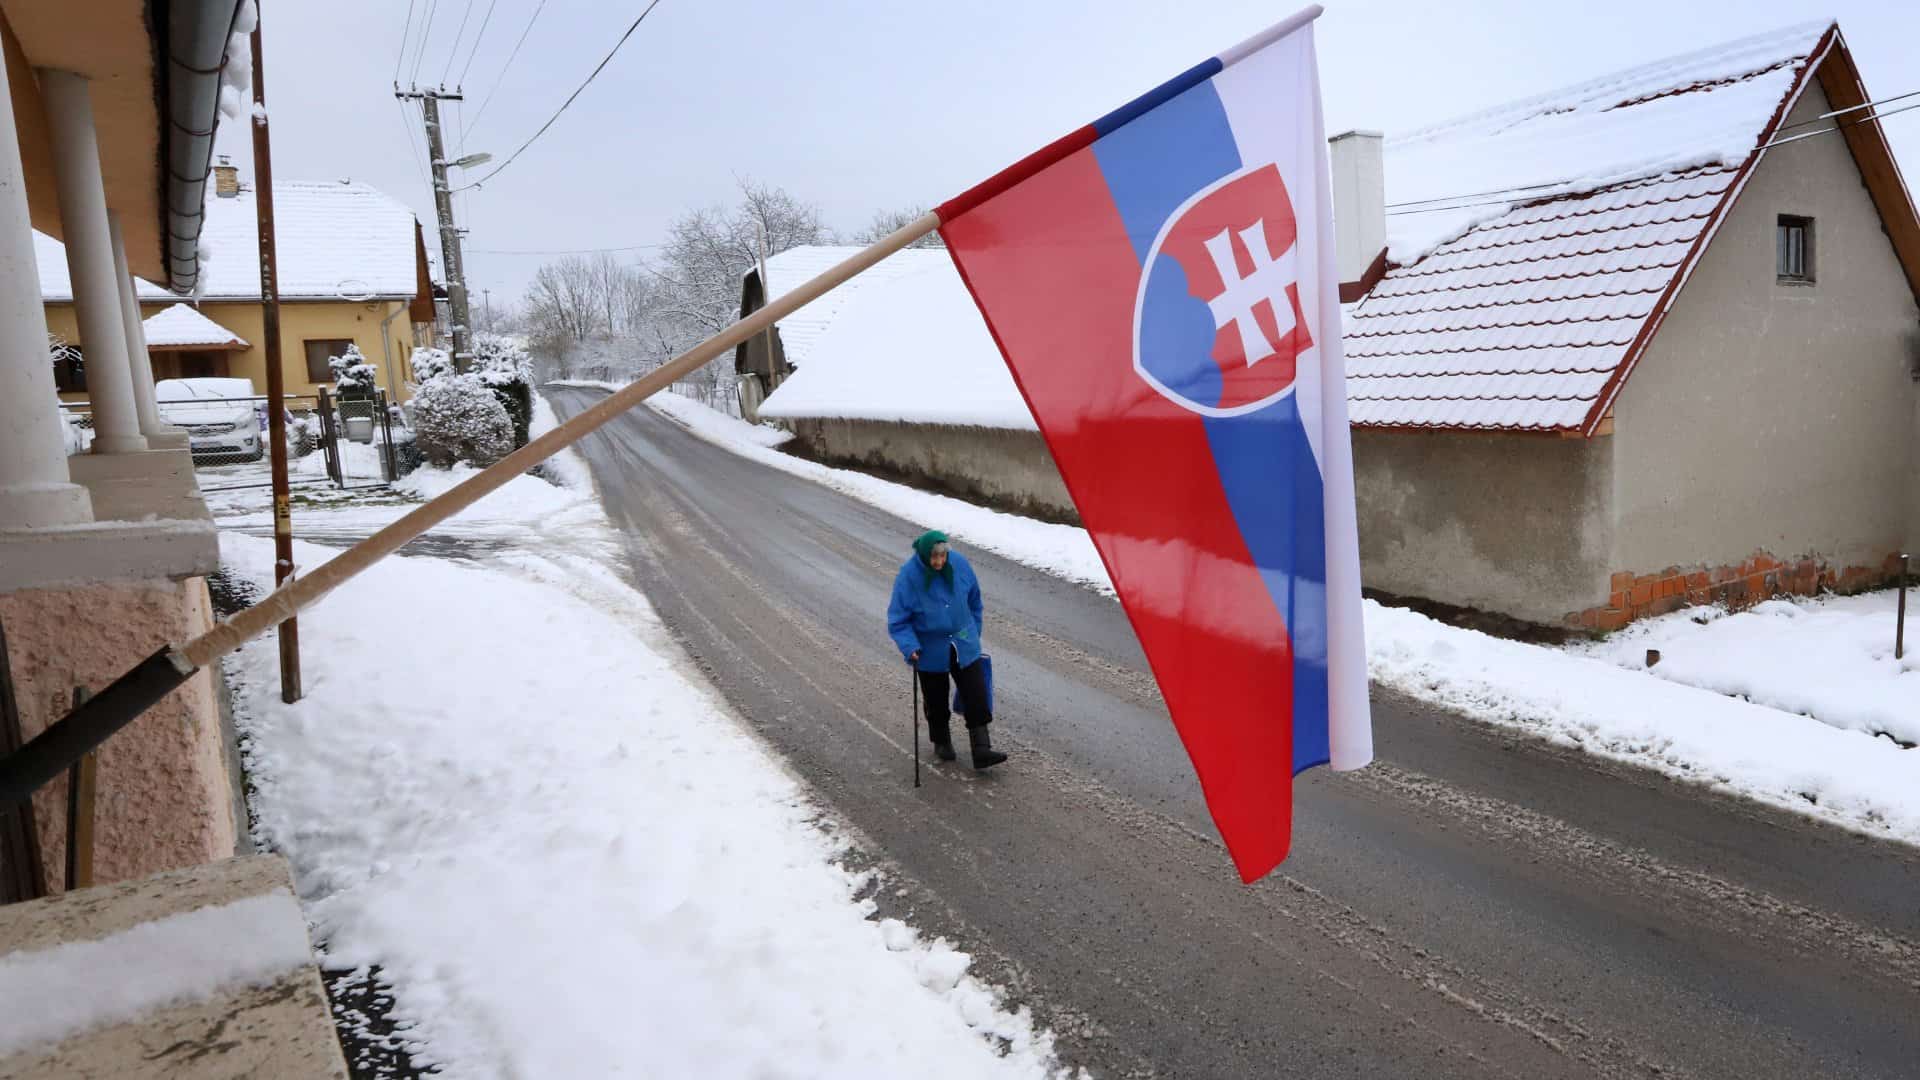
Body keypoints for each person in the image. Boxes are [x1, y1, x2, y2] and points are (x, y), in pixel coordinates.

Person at [887, 531, 1007, 770]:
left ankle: (981, 748)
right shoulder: (909, 576)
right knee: (936, 699)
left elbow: (975, 600)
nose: (939, 562)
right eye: (934, 557)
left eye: (943, 556)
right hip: (929, 647)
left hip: (963, 641)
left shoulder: (959, 564)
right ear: (924, 555)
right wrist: (910, 646)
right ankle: (941, 741)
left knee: (976, 692)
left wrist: (973, 632)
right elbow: (898, 620)